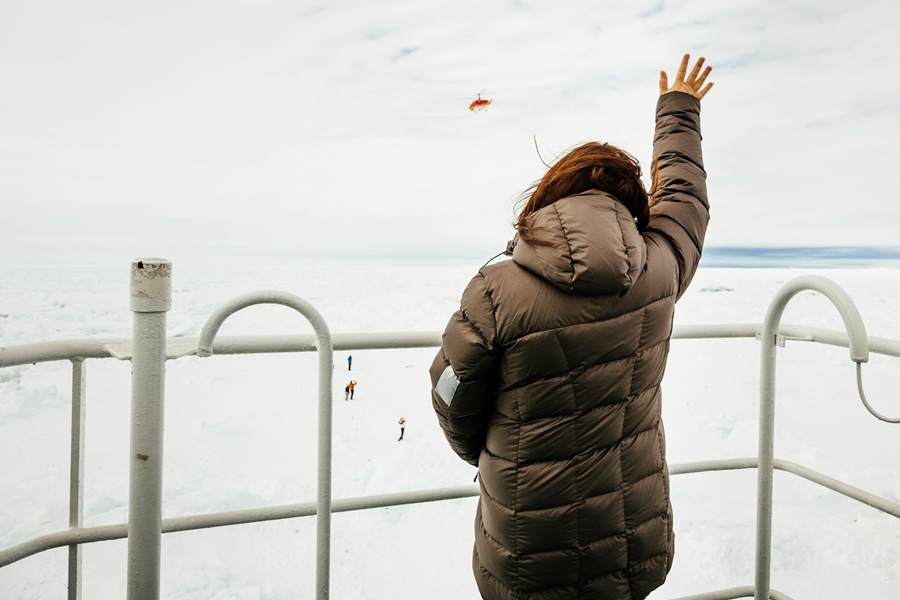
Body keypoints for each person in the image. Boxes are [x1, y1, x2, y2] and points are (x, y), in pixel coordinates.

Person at [429, 55, 713, 600]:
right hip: (634, 534)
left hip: (528, 546)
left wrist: (493, 456)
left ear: (548, 196)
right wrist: (678, 110)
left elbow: (450, 392)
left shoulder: (495, 290)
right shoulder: (660, 269)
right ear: (635, 205)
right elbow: (685, 200)